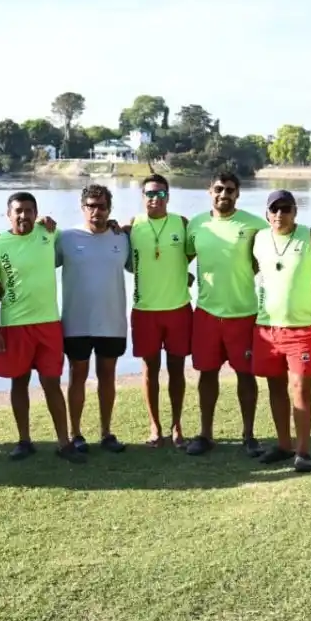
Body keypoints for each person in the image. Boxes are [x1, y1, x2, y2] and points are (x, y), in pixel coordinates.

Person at [0, 192, 83, 464]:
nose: (23, 216)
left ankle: (64, 442)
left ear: (36, 213)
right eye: (18, 211)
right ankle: (24, 440)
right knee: (19, 381)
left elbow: (82, 236)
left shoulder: (48, 233)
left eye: (29, 210)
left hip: (48, 323)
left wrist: (115, 227)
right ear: (8, 214)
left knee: (52, 382)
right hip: (15, 326)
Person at [184, 172, 267, 457]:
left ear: (237, 194)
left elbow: (268, 256)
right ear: (209, 191)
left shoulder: (255, 224)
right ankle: (205, 435)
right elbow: (181, 257)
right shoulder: (197, 224)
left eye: (230, 190)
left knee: (246, 375)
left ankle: (249, 436)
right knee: (207, 374)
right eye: (218, 189)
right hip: (206, 313)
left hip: (243, 313)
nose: (224, 194)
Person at [250, 190, 311, 472]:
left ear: (295, 211)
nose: (280, 215)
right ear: (267, 213)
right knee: (275, 387)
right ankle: (283, 444)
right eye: (274, 210)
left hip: (301, 327)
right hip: (267, 326)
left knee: (300, 388)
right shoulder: (258, 239)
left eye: (286, 209)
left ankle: (303, 451)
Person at [57, 184, 130, 453]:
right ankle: (76, 433)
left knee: (107, 376)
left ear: (109, 208)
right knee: (77, 375)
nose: (96, 211)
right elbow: (36, 259)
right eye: (91, 205)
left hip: (112, 321)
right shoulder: (65, 238)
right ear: (82, 207)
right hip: (76, 322)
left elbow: (141, 265)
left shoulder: (121, 238)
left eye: (101, 206)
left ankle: (106, 432)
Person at [126, 174, 192, 447]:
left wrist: (183, 276)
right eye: (150, 194)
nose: (155, 198)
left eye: (161, 194)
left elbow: (193, 255)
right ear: (142, 197)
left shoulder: (183, 224)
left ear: (168, 196)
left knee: (177, 370)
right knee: (149, 370)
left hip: (178, 309)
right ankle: (155, 426)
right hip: (144, 310)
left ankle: (177, 426)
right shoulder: (131, 226)